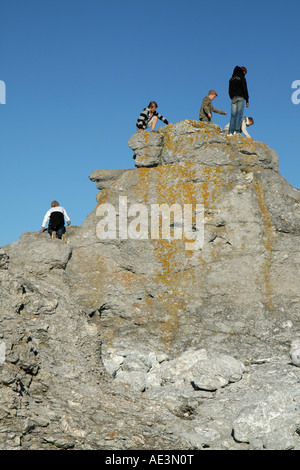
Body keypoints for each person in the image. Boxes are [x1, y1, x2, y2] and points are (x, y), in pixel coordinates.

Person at [228, 66, 249, 135]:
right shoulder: (242, 78)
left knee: (233, 115)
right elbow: (245, 89)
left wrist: (232, 97)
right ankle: (236, 131)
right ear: (243, 72)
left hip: (233, 98)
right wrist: (247, 100)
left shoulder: (231, 78)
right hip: (240, 97)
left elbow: (229, 90)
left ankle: (230, 131)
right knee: (239, 115)